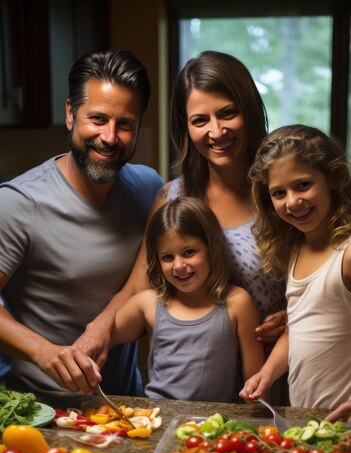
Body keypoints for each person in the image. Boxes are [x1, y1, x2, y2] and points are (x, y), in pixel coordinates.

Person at [0, 49, 163, 395]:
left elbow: (147, 280)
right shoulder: (17, 203)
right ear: (71, 114)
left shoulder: (150, 189)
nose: (109, 137)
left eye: (125, 125)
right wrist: (42, 352)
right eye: (98, 119)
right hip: (39, 410)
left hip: (122, 406)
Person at [152, 51, 287, 347]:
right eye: (200, 120)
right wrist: (98, 331)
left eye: (227, 113)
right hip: (198, 376)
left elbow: (325, 278)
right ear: (185, 126)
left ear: (249, 110)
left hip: (278, 371)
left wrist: (295, 314)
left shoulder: (284, 194)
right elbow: (141, 288)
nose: (216, 131)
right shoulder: (171, 197)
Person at [82, 196, 265, 402]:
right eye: (167, 257)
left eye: (189, 252)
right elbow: (99, 340)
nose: (178, 265)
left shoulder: (238, 303)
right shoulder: (148, 303)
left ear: (211, 249)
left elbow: (256, 386)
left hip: (214, 425)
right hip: (158, 419)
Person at [240, 124, 351, 410]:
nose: (293, 201)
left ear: (333, 178)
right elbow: (296, 329)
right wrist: (267, 373)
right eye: (279, 193)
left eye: (303, 185)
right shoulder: (297, 250)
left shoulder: (346, 254)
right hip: (306, 418)